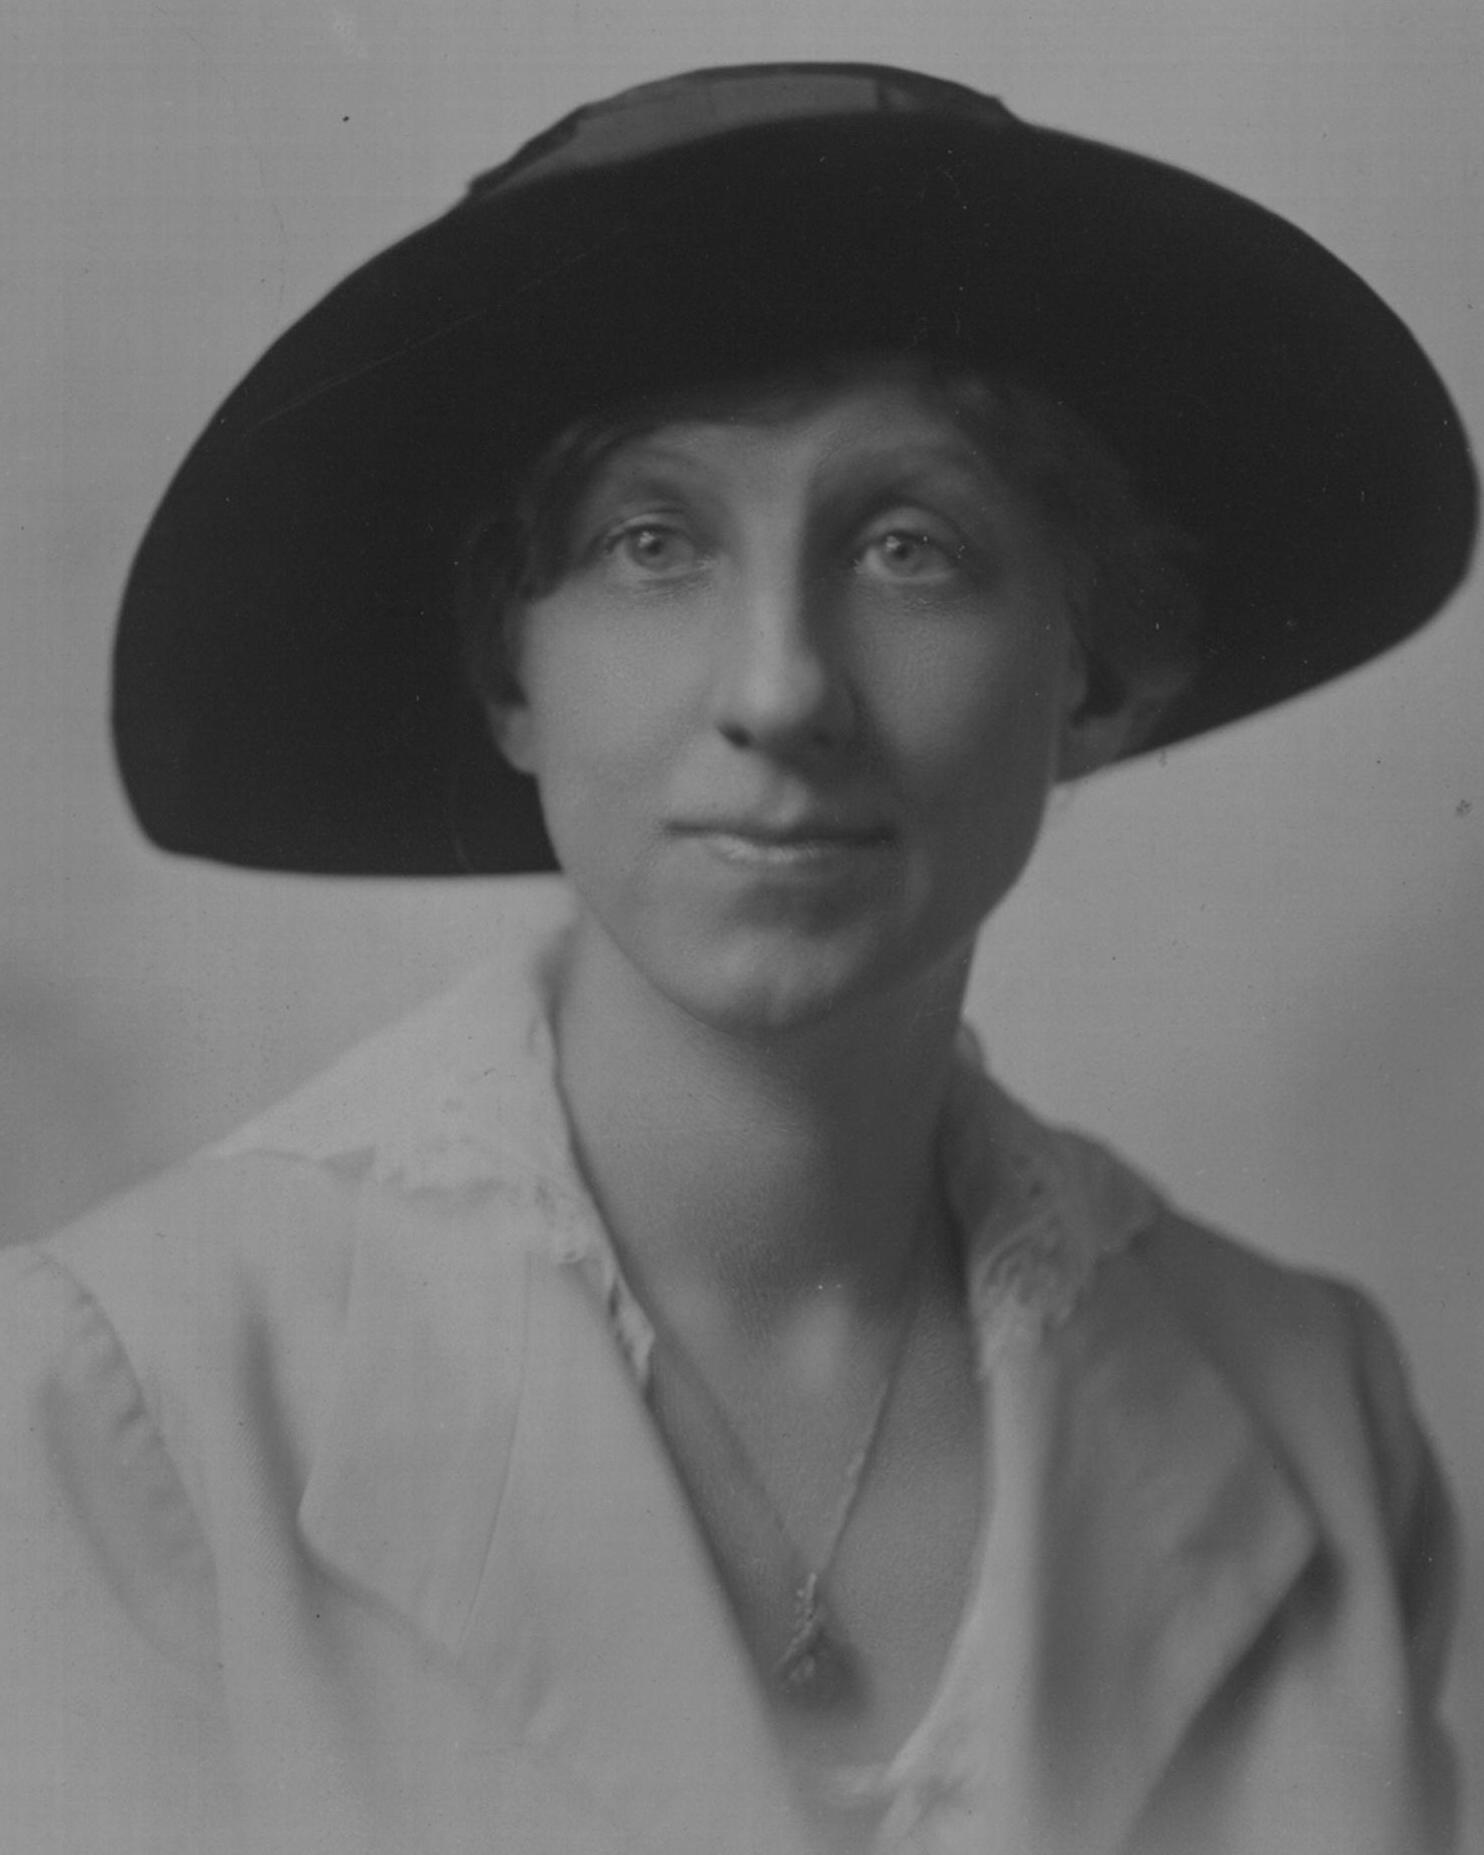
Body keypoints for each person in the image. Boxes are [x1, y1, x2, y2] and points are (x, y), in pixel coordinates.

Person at [0, 62, 1474, 1855]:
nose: (781, 690)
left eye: (912, 547)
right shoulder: (129, 1392)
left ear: (1095, 673)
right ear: (509, 675)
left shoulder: (1310, 1412)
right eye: (651, 544)